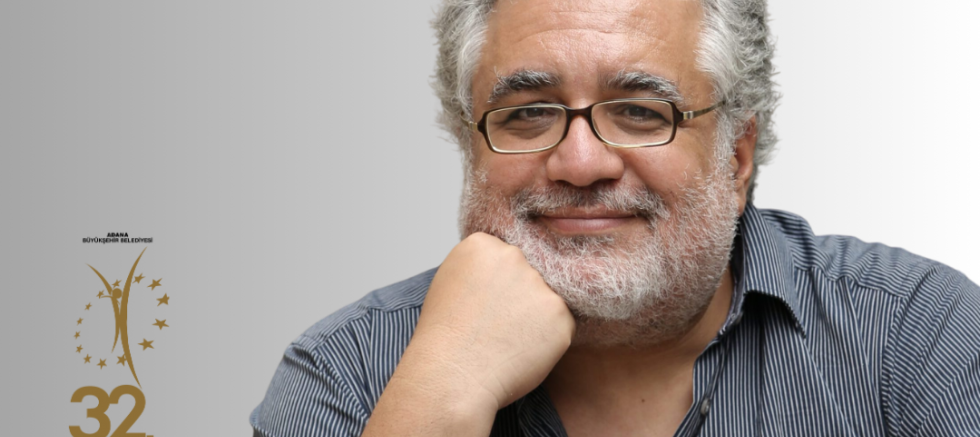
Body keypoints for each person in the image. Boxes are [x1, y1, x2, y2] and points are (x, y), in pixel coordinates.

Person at [251, 0, 980, 435]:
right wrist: (439, 398)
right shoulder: (348, 372)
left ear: (737, 156)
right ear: (469, 143)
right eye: (527, 113)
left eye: (639, 111)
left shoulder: (915, 336)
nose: (580, 162)